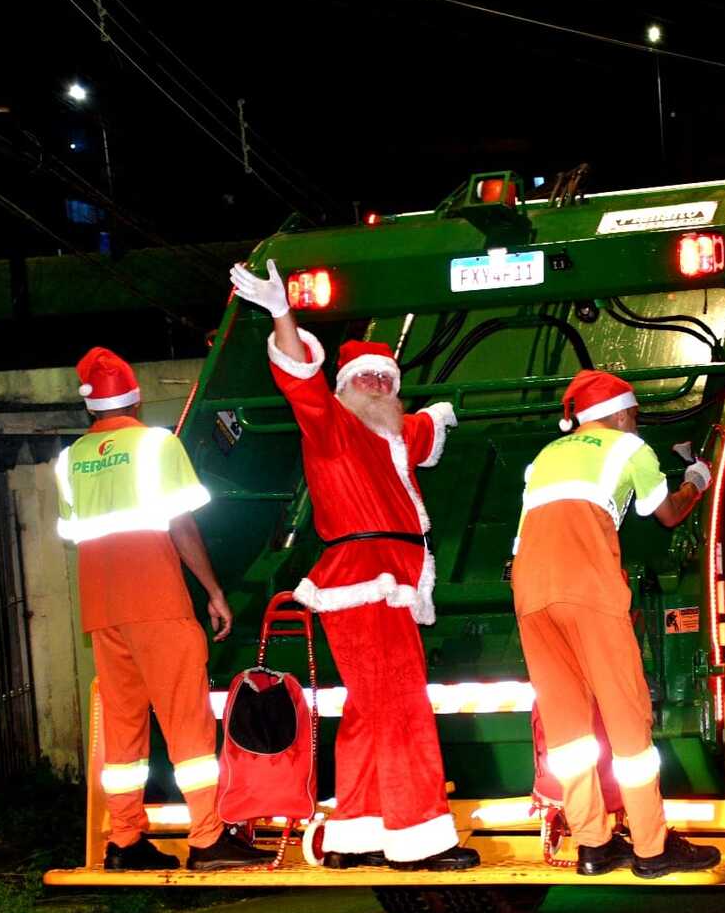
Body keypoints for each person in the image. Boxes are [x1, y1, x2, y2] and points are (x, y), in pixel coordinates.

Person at [229, 259, 479, 871]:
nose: (375, 385)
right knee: (402, 706)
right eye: (363, 377)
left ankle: (355, 834)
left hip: (390, 582)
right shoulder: (332, 428)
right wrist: (282, 313)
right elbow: (300, 382)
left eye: (385, 379)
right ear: (342, 387)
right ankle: (421, 837)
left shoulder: (398, 437)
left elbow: (420, 430)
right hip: (366, 585)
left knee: (370, 711)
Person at [56, 347, 272, 871]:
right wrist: (214, 592)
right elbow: (181, 525)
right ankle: (206, 839)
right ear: (137, 395)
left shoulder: (67, 461)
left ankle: (125, 842)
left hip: (102, 611)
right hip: (157, 602)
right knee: (186, 724)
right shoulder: (157, 445)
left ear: (90, 408)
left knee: (125, 729)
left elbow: (72, 533)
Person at [512, 369, 721, 878]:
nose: (637, 421)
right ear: (621, 413)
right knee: (628, 721)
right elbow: (667, 514)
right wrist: (697, 478)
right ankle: (651, 848)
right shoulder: (631, 449)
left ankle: (593, 846)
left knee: (568, 732)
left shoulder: (545, 457)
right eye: (635, 414)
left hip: (529, 595)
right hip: (588, 590)